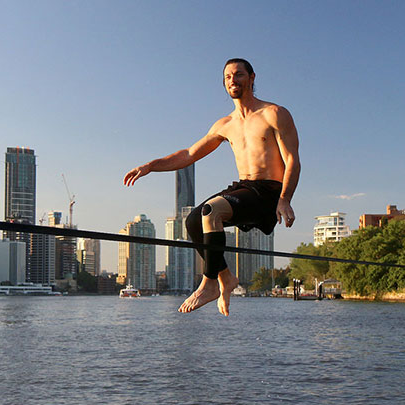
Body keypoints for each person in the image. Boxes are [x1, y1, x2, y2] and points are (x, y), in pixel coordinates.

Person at [123, 58, 300, 316]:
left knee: (211, 211)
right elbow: (189, 154)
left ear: (252, 78)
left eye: (238, 75)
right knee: (194, 221)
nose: (232, 80)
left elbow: (292, 159)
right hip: (245, 187)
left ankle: (208, 284)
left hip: (269, 191)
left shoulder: (274, 113)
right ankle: (226, 278)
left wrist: (285, 198)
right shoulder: (225, 124)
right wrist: (151, 166)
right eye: (228, 76)